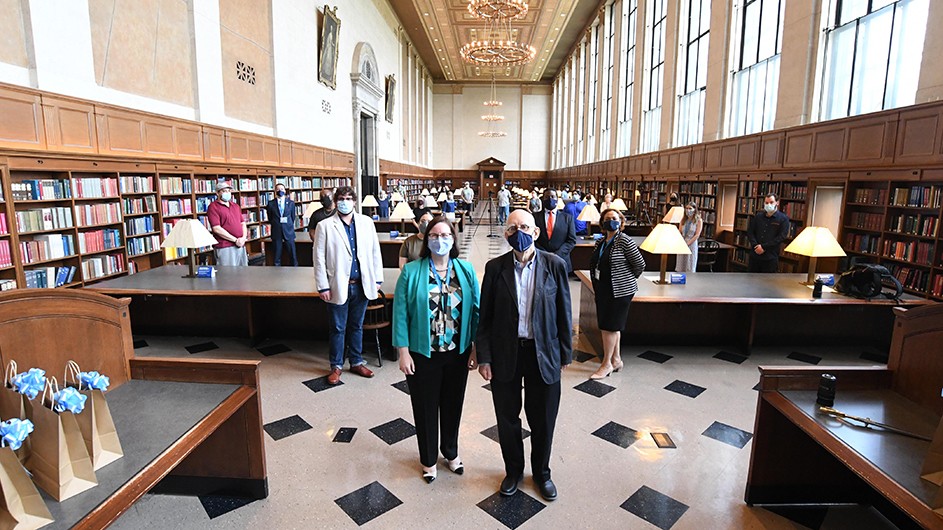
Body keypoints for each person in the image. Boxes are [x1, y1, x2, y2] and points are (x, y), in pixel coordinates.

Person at [477, 209, 572, 502]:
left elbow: (564, 313)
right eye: (513, 227)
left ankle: (542, 473)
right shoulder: (495, 268)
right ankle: (514, 471)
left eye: (525, 227)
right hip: (506, 352)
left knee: (543, 418)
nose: (519, 232)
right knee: (507, 417)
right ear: (506, 234)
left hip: (543, 353)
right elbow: (486, 318)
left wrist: (564, 354)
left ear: (536, 232)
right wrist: (484, 357)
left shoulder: (554, 265)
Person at [393, 216, 480, 484]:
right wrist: (403, 351)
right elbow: (400, 313)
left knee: (453, 404)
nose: (439, 240)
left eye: (445, 235)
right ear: (426, 239)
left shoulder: (466, 270)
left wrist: (476, 348)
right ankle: (429, 460)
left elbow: (476, 311)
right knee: (425, 406)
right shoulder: (412, 271)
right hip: (423, 353)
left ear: (453, 239)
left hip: (457, 352)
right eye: (434, 235)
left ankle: (451, 453)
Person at [313, 186, 384, 385]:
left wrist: (377, 279)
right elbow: (318, 259)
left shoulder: (366, 223)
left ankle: (356, 361)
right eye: (341, 198)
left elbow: (374, 252)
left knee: (356, 326)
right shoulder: (325, 225)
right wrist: (323, 286)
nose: (345, 201)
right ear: (336, 201)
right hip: (337, 285)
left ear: (355, 201)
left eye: (348, 198)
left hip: (361, 284)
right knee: (337, 327)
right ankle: (335, 366)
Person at [589, 209, 646, 379]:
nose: (611, 221)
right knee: (612, 326)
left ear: (620, 221)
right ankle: (616, 359)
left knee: (610, 327)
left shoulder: (624, 241)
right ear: (602, 223)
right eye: (607, 219)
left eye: (614, 218)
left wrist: (625, 279)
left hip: (620, 291)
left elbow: (640, 264)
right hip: (603, 288)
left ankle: (606, 364)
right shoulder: (600, 242)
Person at [533, 190, 577, 278]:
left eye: (552, 197)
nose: (550, 199)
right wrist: (545, 254)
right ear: (543, 199)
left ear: (557, 199)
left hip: (561, 260)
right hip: (541, 259)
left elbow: (571, 240)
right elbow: (532, 238)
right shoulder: (534, 217)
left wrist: (557, 254)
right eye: (547, 197)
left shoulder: (567, 218)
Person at [207, 181, 248, 266]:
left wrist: (243, 238)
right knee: (228, 274)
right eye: (224, 191)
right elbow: (216, 228)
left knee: (243, 272)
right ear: (217, 193)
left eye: (229, 191)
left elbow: (243, 223)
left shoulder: (235, 206)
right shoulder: (213, 207)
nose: (228, 193)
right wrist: (235, 240)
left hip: (241, 244)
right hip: (225, 246)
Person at [747, 193, 790, 273]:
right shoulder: (758, 216)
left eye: (771, 202)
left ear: (777, 203)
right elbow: (750, 232)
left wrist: (764, 247)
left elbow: (781, 237)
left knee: (767, 282)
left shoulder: (783, 219)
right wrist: (755, 245)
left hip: (770, 257)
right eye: (766, 203)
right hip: (754, 256)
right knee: (750, 281)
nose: (768, 205)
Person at [265, 183, 298, 266]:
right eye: (278, 189)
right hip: (276, 232)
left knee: (292, 255)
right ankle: (277, 274)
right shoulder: (270, 203)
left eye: (282, 189)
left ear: (285, 191)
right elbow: (270, 218)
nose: (280, 191)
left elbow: (293, 217)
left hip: (288, 231)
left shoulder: (291, 203)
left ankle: (295, 271)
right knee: (276, 256)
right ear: (275, 191)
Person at [676, 202, 703, 272]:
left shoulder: (698, 220)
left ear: (694, 210)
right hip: (682, 243)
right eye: (686, 208)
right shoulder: (683, 220)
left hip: (691, 244)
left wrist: (688, 243)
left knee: (690, 265)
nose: (688, 210)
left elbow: (697, 234)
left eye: (690, 208)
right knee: (681, 265)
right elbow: (680, 231)